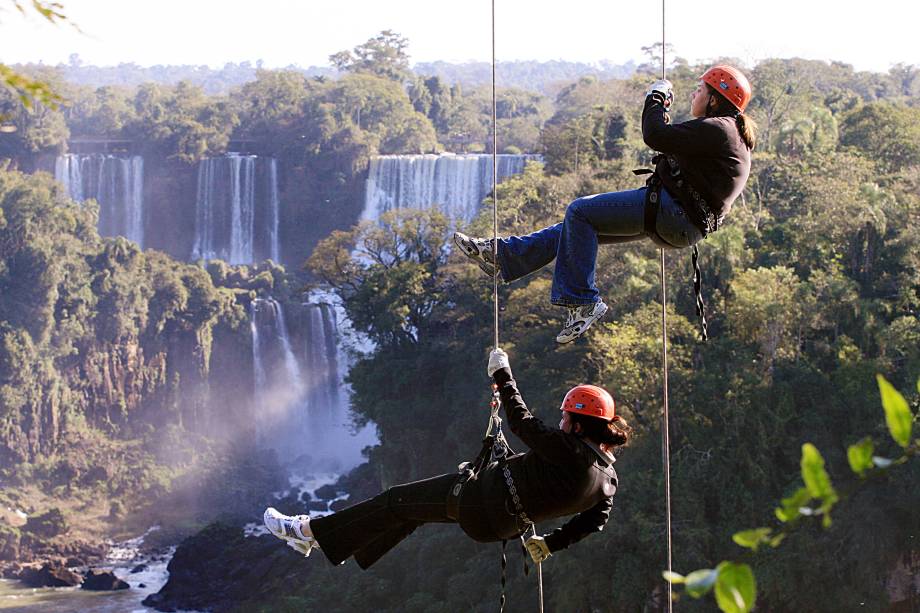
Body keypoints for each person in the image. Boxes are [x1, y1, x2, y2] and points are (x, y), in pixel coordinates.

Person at [455, 65, 756, 343]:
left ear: (715, 100)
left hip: (672, 213)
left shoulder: (719, 128)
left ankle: (584, 300)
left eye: (701, 90)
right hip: (679, 221)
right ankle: (504, 255)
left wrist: (656, 97)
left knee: (580, 210)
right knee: (576, 228)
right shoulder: (726, 133)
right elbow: (669, 139)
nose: (695, 94)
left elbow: (655, 135)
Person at [263, 348, 630, 568]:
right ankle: (346, 546)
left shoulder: (570, 450)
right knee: (409, 512)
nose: (562, 421)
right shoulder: (607, 482)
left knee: (394, 501)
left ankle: (307, 532)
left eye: (567, 417)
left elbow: (523, 422)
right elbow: (591, 523)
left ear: (581, 427)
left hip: (477, 500)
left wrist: (503, 374)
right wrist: (551, 543)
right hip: (497, 526)